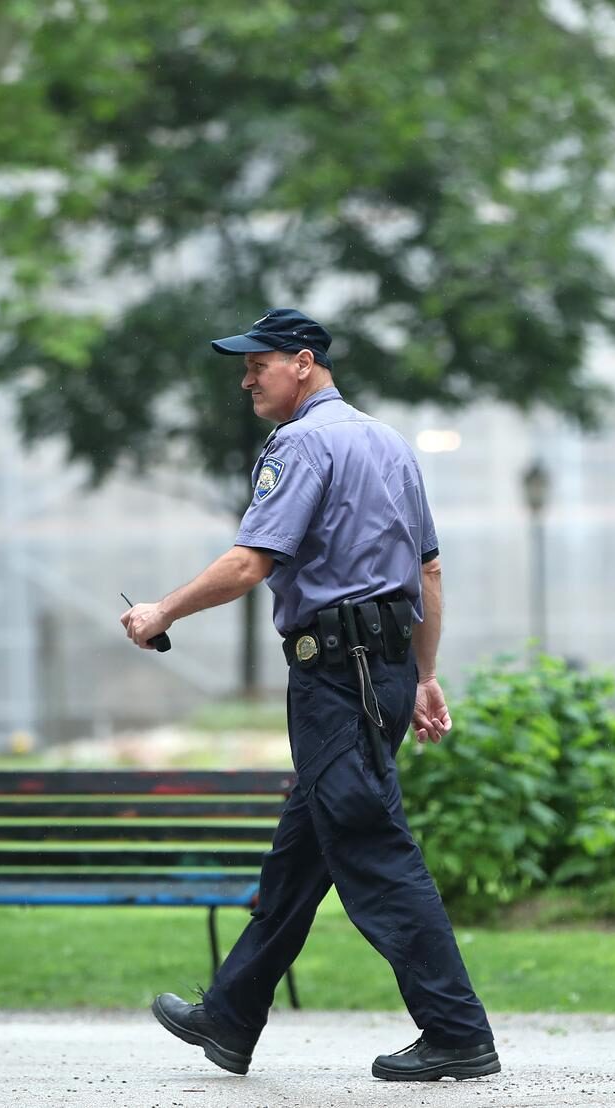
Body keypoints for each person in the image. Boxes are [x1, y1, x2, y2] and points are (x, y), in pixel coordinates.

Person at [120, 308, 498, 1082]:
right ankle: (231, 1013)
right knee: (303, 852)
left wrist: (162, 610)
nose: (246, 378)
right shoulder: (389, 443)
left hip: (337, 676)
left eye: (256, 364)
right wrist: (422, 676)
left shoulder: (300, 444)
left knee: (370, 846)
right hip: (381, 674)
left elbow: (251, 563)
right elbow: (427, 571)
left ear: (302, 361)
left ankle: (457, 1030)